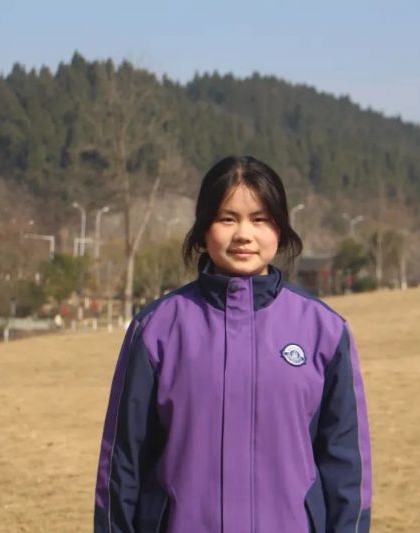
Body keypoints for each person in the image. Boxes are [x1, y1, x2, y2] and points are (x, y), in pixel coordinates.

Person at [94, 156, 372, 533]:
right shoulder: (156, 329)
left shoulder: (324, 330)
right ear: (203, 229)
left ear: (280, 227)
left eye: (260, 219)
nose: (243, 234)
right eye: (227, 218)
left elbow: (346, 466)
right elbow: (122, 462)